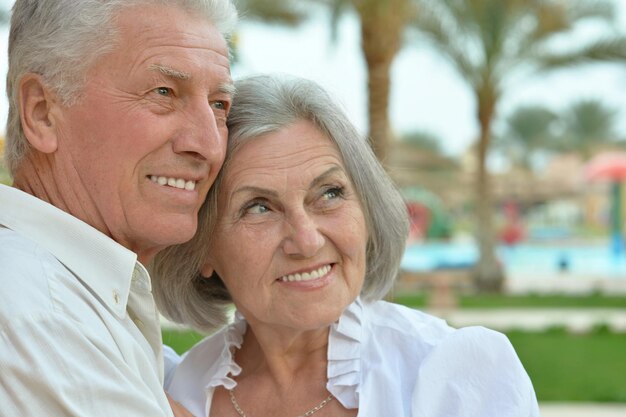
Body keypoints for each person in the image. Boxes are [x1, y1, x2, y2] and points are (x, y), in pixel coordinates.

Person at [152, 74, 540, 417]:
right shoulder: (174, 390)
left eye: (330, 193)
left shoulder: (454, 376)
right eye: (258, 207)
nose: (306, 240)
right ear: (199, 247)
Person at [0, 1, 237, 416]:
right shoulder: (41, 318)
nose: (209, 144)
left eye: (219, 105)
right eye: (163, 93)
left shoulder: (81, 301)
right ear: (41, 113)